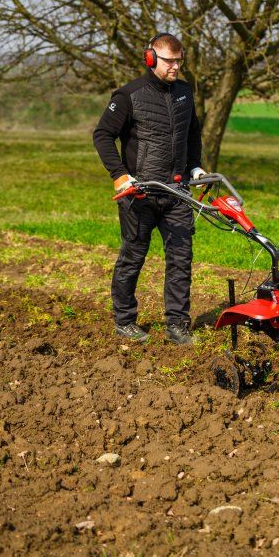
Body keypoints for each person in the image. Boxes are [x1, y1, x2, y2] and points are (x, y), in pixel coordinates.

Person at [92, 33, 207, 345]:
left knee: (181, 259)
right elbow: (102, 135)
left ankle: (178, 326)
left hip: (176, 192)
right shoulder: (128, 95)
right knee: (133, 257)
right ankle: (125, 320)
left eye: (179, 61)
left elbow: (192, 132)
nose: (175, 67)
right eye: (169, 61)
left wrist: (194, 166)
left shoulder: (185, 92)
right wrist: (119, 175)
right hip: (140, 193)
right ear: (151, 59)